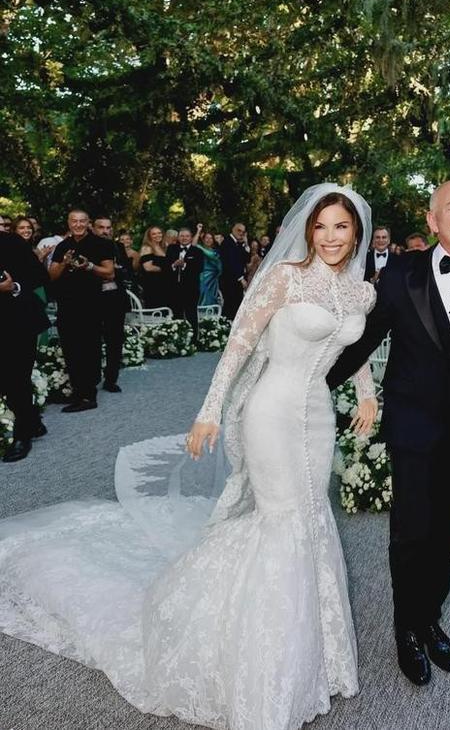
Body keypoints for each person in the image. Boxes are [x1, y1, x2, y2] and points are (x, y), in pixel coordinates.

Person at [0, 184, 377, 730]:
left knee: (313, 516)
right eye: (321, 226)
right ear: (308, 231)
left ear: (357, 233)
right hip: (271, 411)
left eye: (341, 226)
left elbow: (353, 347)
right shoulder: (285, 277)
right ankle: (262, 665)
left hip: (318, 419)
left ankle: (315, 656)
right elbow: (239, 344)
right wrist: (209, 410)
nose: (330, 237)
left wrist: (366, 392)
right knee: (282, 520)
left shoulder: (361, 293)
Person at [327, 179, 450, 687]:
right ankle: (405, 627)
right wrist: (312, 378)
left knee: (445, 531)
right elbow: (364, 339)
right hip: (411, 424)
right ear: (433, 220)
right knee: (411, 531)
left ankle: (429, 617)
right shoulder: (400, 273)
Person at [49, 210, 115, 412]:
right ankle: (78, 391)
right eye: (74, 221)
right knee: (70, 348)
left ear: (88, 223)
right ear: (68, 223)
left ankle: (88, 395)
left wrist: (90, 266)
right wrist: (64, 263)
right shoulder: (63, 245)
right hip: (66, 304)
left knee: (88, 348)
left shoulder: (101, 244)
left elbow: (109, 273)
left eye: (82, 221)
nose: (78, 225)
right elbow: (52, 275)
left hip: (91, 304)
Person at [0, 231, 49, 462]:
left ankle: (23, 436)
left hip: (18, 319)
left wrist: (13, 287)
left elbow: (39, 275)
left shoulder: (11, 242)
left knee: (16, 378)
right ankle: (33, 421)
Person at [93, 216, 130, 393]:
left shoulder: (118, 247)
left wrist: (115, 270)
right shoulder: (88, 246)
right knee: (93, 339)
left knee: (115, 340)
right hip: (93, 298)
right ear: (93, 229)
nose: (105, 231)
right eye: (101, 227)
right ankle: (92, 377)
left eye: (108, 228)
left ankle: (111, 379)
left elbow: (127, 271)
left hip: (115, 298)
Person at [166, 227, 204, 339]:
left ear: (191, 238)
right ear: (178, 237)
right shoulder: (171, 248)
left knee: (191, 314)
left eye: (187, 236)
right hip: (174, 288)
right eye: (182, 236)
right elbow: (166, 265)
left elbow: (199, 268)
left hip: (191, 288)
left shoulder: (197, 251)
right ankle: (178, 340)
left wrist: (185, 265)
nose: (184, 238)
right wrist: (174, 265)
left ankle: (194, 340)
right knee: (176, 314)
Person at [218, 221, 249, 320]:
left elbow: (246, 259)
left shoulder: (238, 244)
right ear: (233, 230)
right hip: (229, 281)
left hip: (236, 282)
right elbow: (230, 263)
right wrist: (241, 278)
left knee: (236, 307)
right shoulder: (227, 242)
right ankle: (226, 325)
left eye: (243, 232)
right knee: (230, 307)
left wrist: (246, 244)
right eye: (239, 230)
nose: (241, 233)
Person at [139, 226, 170, 309]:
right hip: (153, 285)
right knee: (156, 310)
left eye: (159, 233)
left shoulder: (163, 247)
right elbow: (148, 267)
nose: (157, 235)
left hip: (164, 284)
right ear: (149, 236)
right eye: (154, 234)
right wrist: (165, 269)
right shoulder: (147, 248)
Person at [197, 230, 222, 306]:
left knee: (212, 297)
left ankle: (211, 312)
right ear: (203, 239)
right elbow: (194, 245)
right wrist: (198, 232)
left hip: (212, 278)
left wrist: (200, 247)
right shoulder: (199, 251)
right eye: (206, 238)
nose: (208, 240)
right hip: (203, 277)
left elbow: (212, 256)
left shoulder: (216, 251)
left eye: (211, 238)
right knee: (202, 294)